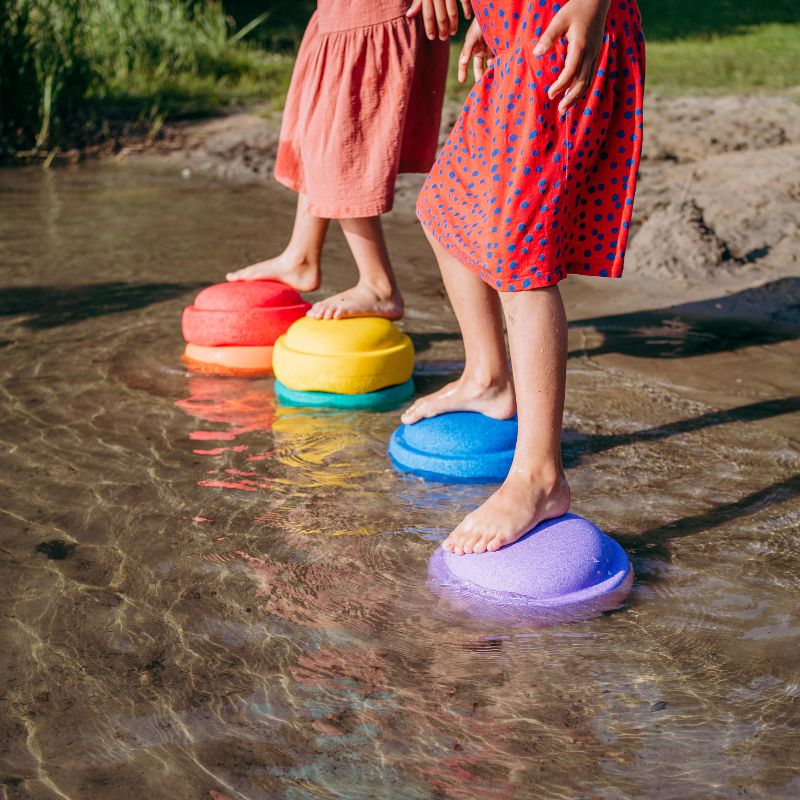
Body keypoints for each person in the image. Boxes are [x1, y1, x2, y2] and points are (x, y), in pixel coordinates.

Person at [403, 0, 645, 554]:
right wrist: (494, 19)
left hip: (562, 36)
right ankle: (487, 378)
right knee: (445, 206)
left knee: (522, 256)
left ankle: (540, 475)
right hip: (520, 38)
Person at [226, 0, 466, 320]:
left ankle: (378, 284)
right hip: (338, 13)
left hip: (372, 13)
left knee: (343, 143)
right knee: (316, 128)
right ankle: (302, 254)